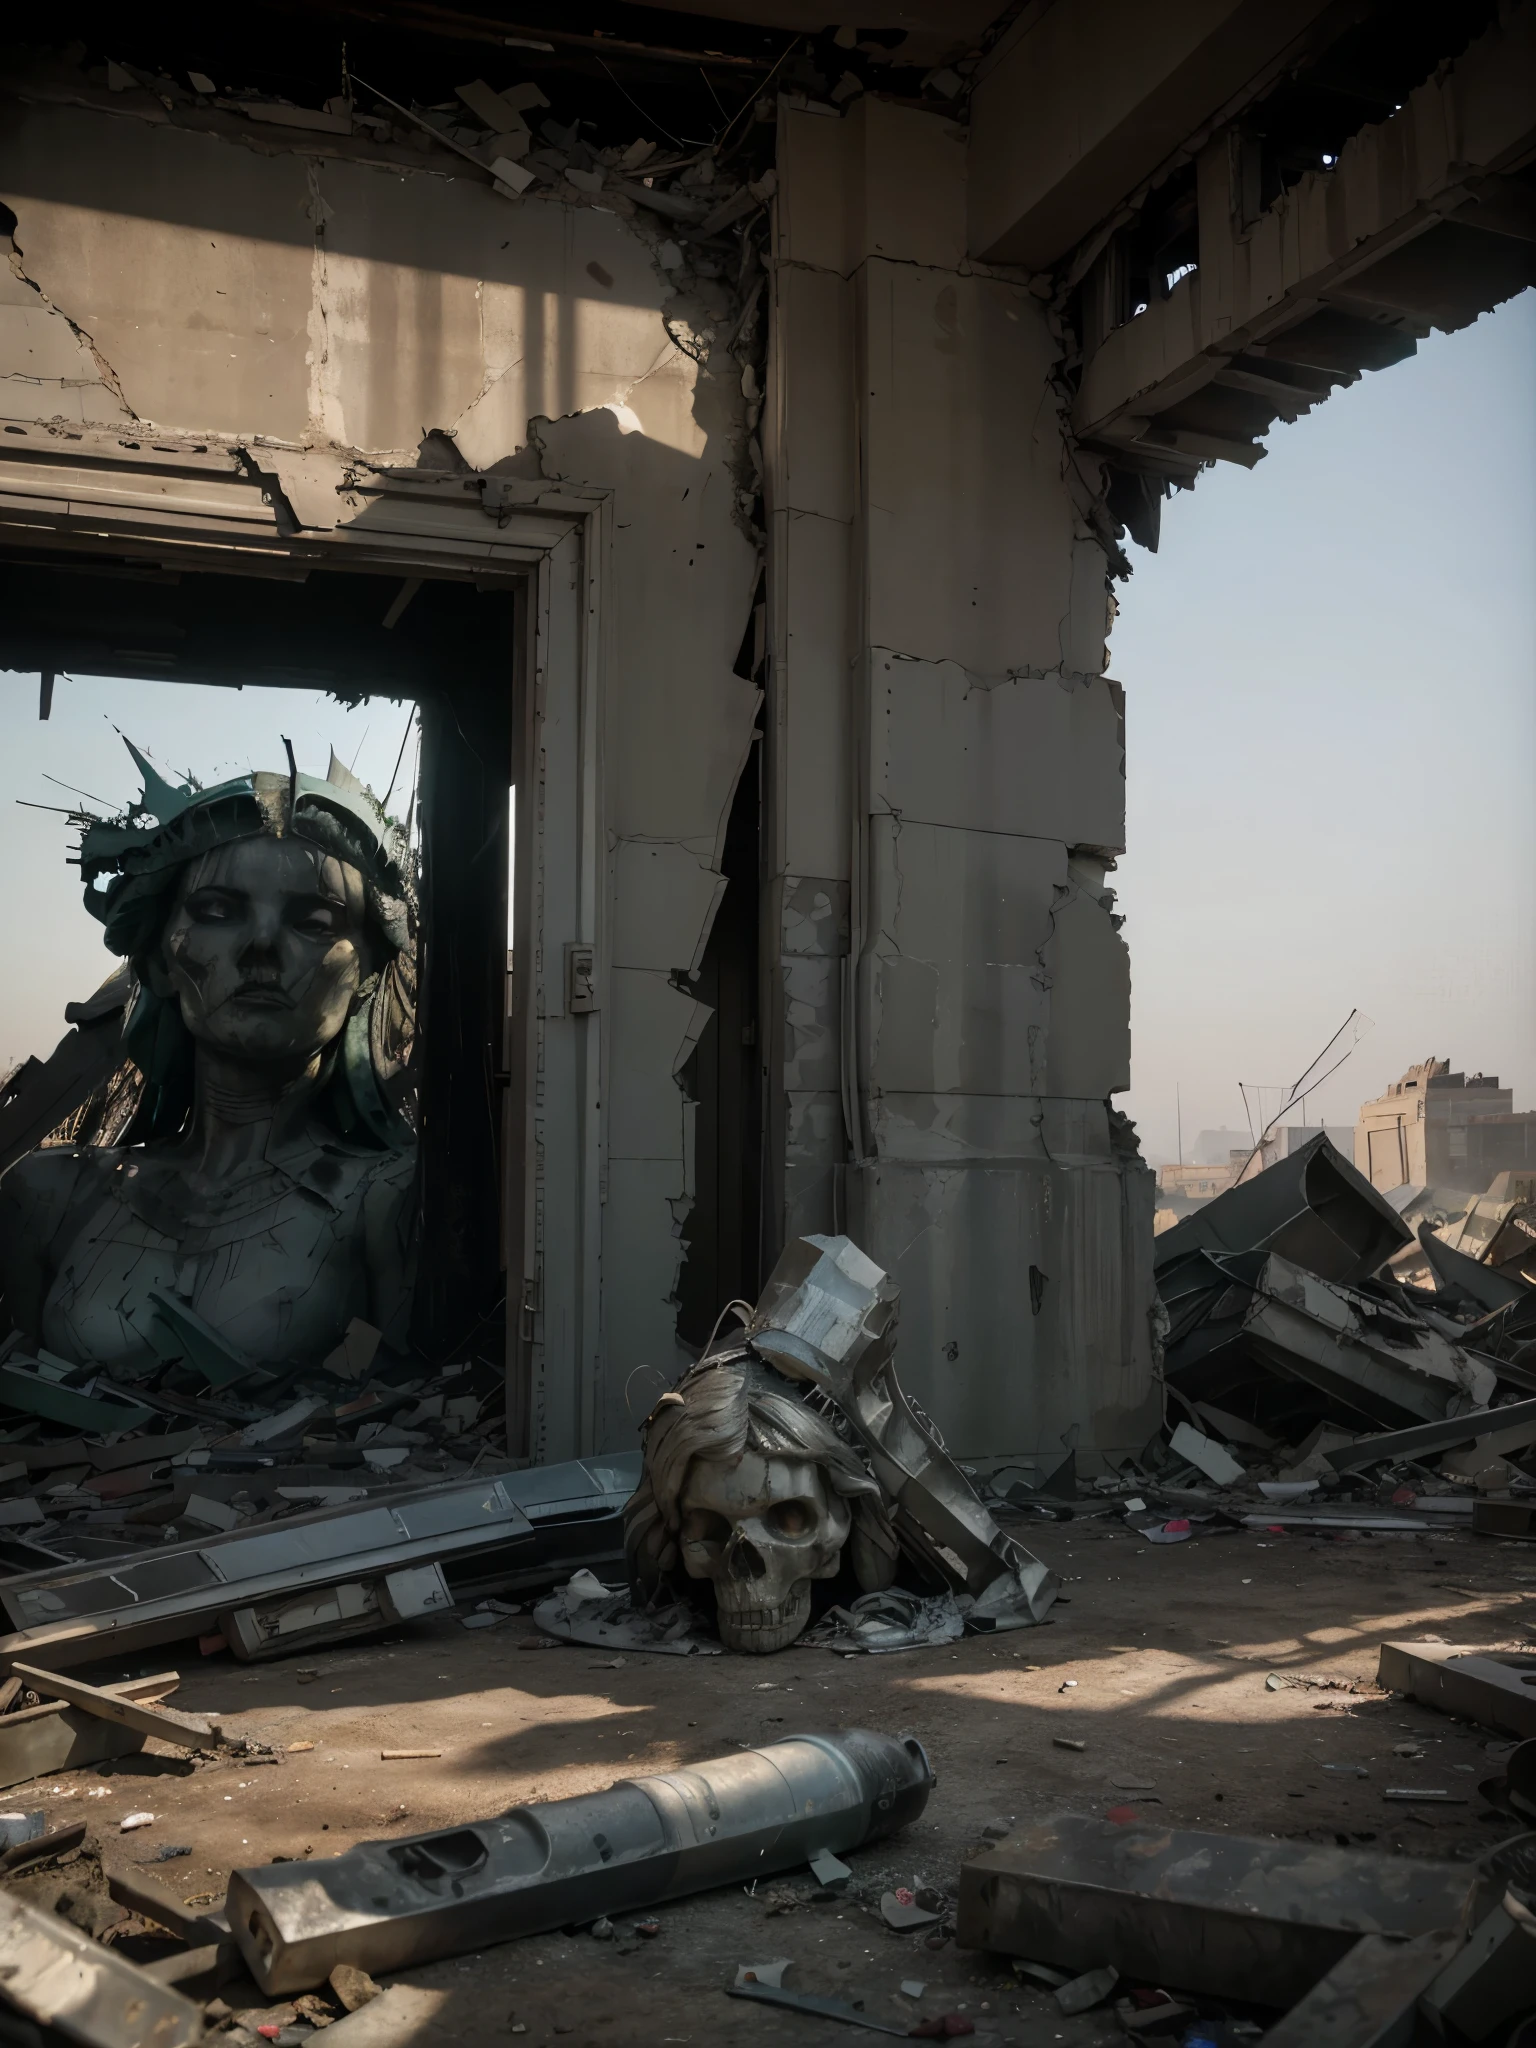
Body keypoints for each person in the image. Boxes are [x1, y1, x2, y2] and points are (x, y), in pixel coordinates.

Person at [0, 743, 416, 1378]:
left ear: (366, 971)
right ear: (161, 959)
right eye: (218, 910)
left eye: (315, 920)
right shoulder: (50, 1195)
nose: (262, 945)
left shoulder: (392, 1201)